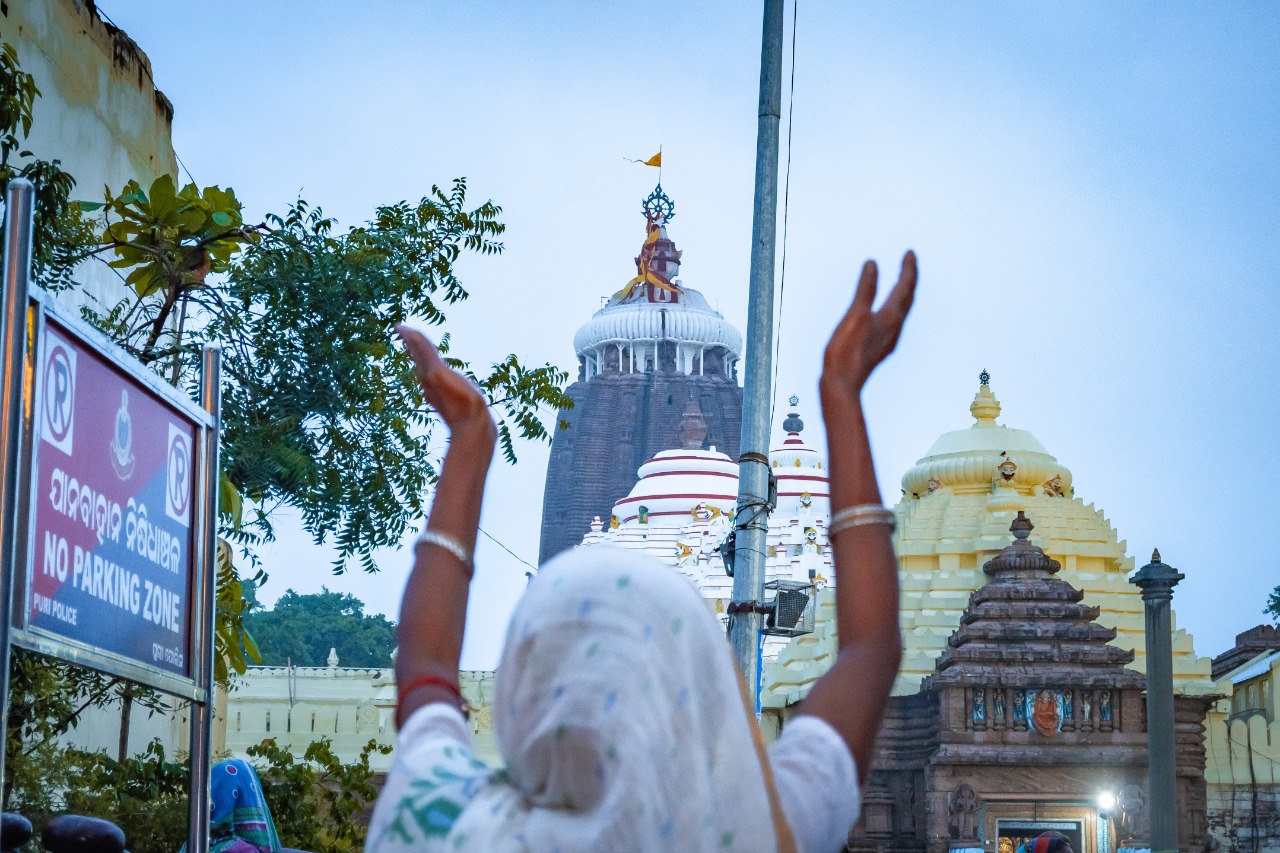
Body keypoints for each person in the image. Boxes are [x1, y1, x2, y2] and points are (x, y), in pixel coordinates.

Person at [366, 252, 918, 852]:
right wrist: (842, 393)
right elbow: (871, 648)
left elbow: (424, 671)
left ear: (520, 696)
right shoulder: (759, 829)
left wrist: (470, 441)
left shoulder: (443, 824)